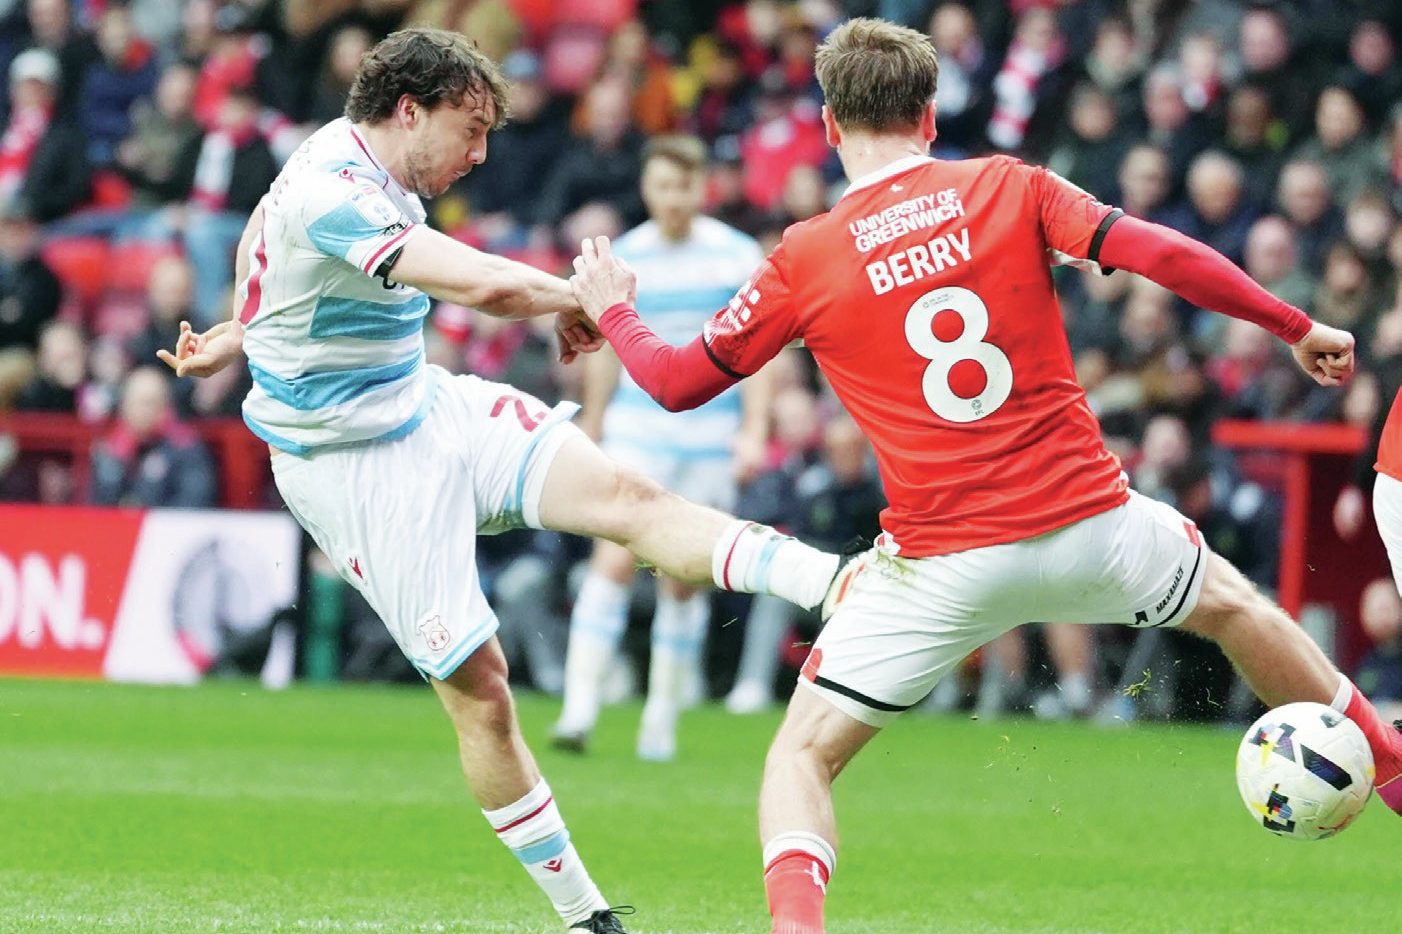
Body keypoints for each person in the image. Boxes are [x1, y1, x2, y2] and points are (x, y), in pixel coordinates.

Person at [565, 19, 1402, 934]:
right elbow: (1160, 252)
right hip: (1090, 524)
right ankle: (1390, 764)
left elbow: (678, 382)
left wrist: (616, 314)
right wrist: (1294, 326)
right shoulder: (1011, 186)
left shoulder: (804, 256)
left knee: (799, 759)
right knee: (1236, 608)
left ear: (831, 126)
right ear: (929, 114)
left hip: (940, 566)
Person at [159, 29, 845, 934]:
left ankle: (834, 582)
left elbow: (265, 254)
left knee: (625, 500)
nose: (481, 153)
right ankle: (587, 916)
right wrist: (586, 297)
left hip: (428, 407)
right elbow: (480, 287)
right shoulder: (335, 187)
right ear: (409, 110)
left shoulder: (353, 169)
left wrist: (237, 334)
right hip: (353, 470)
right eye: (469, 128)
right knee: (482, 690)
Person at [552, 134, 770, 761]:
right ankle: (578, 712)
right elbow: (605, 350)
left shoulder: (734, 256)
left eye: (684, 186)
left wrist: (753, 431)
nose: (673, 198)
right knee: (613, 559)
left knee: (682, 577)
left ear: (702, 187)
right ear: (647, 188)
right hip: (639, 429)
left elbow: (757, 356)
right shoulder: (627, 259)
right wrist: (593, 423)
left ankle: (659, 722)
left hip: (709, 434)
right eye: (662, 185)